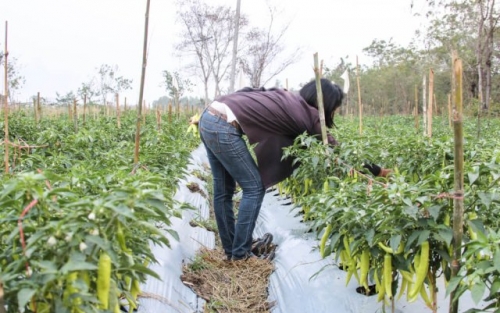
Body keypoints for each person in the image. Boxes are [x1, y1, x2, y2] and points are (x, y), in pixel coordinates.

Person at [195, 78, 390, 261]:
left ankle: (233, 250)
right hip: (223, 126)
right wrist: (377, 170)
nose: (333, 114)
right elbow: (339, 152)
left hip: (209, 116)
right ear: (327, 105)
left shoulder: (288, 97)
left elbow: (251, 92)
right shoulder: (309, 115)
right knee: (254, 188)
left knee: (224, 191)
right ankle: (240, 254)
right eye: (335, 109)